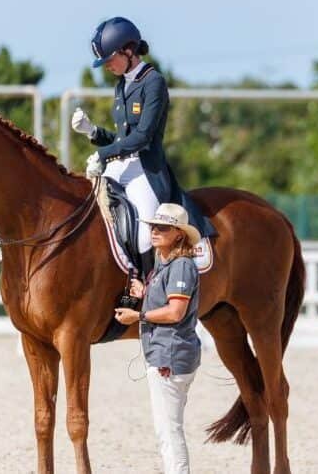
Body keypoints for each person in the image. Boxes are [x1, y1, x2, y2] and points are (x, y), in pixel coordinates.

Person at [70, 16, 214, 277]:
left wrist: (103, 154)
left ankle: (148, 289)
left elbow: (143, 136)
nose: (108, 66)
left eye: (110, 59)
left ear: (129, 50)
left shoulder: (153, 82)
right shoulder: (121, 85)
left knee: (144, 235)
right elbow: (123, 138)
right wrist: (92, 131)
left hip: (146, 170)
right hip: (121, 165)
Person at [113, 203, 202, 474]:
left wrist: (137, 317)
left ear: (178, 234)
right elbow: (165, 299)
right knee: (168, 429)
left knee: (169, 432)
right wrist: (145, 290)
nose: (154, 231)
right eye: (153, 226)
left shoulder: (181, 266)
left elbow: (175, 312)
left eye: (162, 227)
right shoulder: (163, 265)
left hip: (170, 356)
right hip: (167, 353)